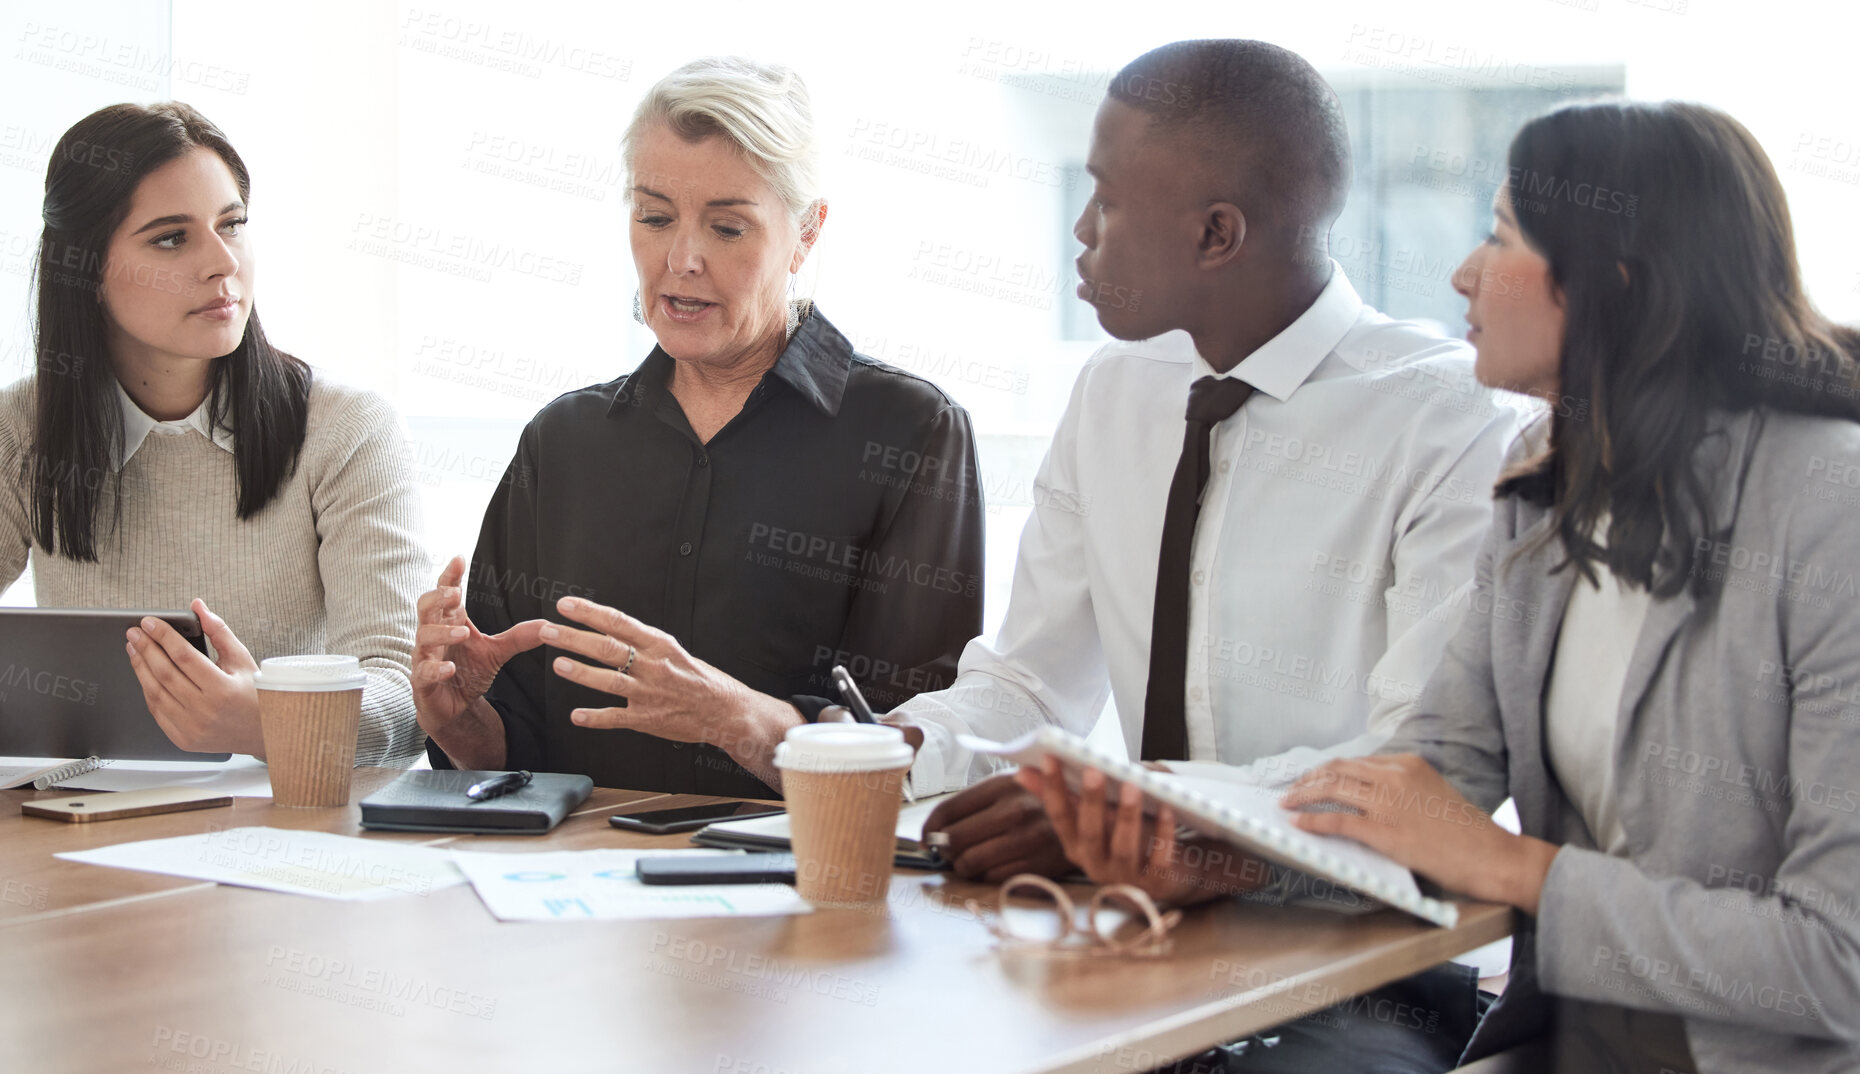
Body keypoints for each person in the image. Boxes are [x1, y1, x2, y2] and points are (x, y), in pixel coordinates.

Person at [1044, 100, 1860, 1072]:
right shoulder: (1545, 473)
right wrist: (1207, 849)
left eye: (1502, 236)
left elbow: (1836, 959)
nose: (1463, 272)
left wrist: (1520, 871)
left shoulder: (1828, 511)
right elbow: (1430, 774)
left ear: (1616, 285)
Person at [898, 39, 1517, 1072]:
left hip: (1361, 959)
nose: (1081, 235)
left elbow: (1418, 770)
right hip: (1126, 928)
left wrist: (1153, 820)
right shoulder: (1113, 391)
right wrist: (869, 748)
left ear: (1217, 234)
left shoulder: (1449, 418)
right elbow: (1028, 685)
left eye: (1103, 200)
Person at [412, 57, 984, 796]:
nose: (681, 260)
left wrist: (730, 716)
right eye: (654, 218)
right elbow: (515, 759)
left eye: (727, 226)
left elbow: (911, 758)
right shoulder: (562, 442)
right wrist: (460, 725)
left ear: (806, 233)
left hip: (803, 890)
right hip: (568, 894)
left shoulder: (912, 435)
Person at [0, 102, 428, 766]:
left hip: (286, 830)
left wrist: (268, 724)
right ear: (83, 270)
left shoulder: (346, 431)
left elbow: (404, 697)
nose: (221, 262)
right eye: (172, 237)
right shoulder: (22, 430)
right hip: (74, 822)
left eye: (232, 225)